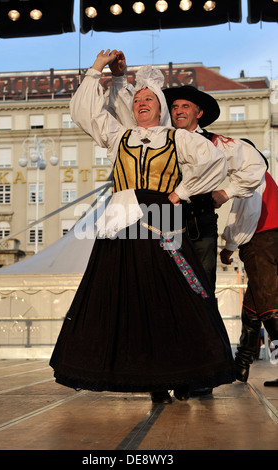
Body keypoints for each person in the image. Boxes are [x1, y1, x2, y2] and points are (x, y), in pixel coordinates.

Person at [50, 49, 236, 405]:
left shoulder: (177, 138)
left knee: (173, 299)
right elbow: (83, 112)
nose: (141, 103)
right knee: (130, 300)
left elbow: (214, 163)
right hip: (121, 222)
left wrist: (180, 192)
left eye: (149, 98)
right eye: (137, 100)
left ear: (161, 107)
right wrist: (96, 71)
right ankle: (152, 379)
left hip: (161, 218)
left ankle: (184, 372)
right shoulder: (118, 135)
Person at [107, 53, 266, 293]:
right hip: (160, 224)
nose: (179, 111)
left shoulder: (216, 142)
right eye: (174, 106)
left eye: (185, 106)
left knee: (201, 290)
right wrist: (118, 77)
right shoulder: (157, 139)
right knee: (163, 290)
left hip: (198, 225)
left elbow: (255, 166)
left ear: (199, 113)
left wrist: (227, 191)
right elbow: (123, 112)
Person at [220, 141, 278, 386]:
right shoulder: (264, 177)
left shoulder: (250, 177)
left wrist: (229, 246)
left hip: (260, 241)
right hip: (269, 240)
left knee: (268, 305)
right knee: (253, 308)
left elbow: (246, 216)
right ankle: (241, 367)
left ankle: (241, 366)